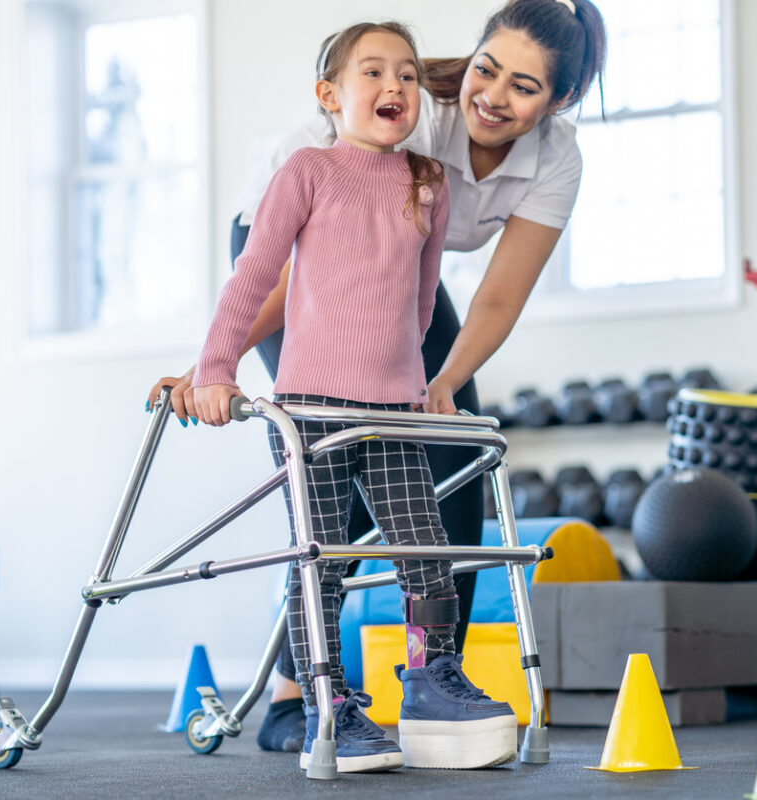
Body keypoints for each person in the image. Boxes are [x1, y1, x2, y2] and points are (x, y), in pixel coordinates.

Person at [148, 0, 608, 755]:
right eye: (486, 68)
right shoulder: (411, 105)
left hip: (395, 265)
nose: (492, 95)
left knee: (450, 453)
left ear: (558, 102)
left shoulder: (558, 159)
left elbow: (496, 295)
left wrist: (443, 387)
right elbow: (279, 264)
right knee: (335, 465)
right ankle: (299, 697)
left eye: (524, 88)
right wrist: (210, 362)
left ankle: (433, 681)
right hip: (294, 241)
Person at [192, 21, 520, 774]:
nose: (395, 87)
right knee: (322, 563)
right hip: (309, 409)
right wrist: (215, 366)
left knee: (425, 552)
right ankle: (327, 704)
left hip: (391, 411)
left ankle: (433, 679)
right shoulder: (306, 170)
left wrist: (425, 389)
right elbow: (253, 280)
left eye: (407, 74)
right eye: (373, 72)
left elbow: (419, 300)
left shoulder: (428, 183)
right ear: (330, 96)